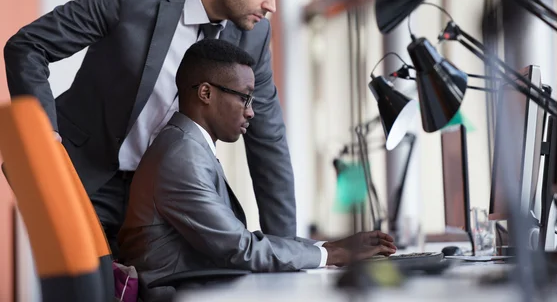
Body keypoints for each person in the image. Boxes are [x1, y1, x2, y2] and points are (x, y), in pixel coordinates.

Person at [4, 0, 299, 254]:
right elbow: (28, 46)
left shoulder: (253, 36)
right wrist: (44, 136)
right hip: (87, 179)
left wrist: (288, 251)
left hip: (166, 199)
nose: (271, 5)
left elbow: (267, 139)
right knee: (89, 289)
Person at [118, 39, 397, 302]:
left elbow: (238, 243)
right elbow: (241, 249)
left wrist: (326, 247)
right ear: (206, 93)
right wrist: (332, 254)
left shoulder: (186, 146)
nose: (251, 112)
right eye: (245, 98)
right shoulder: (182, 156)